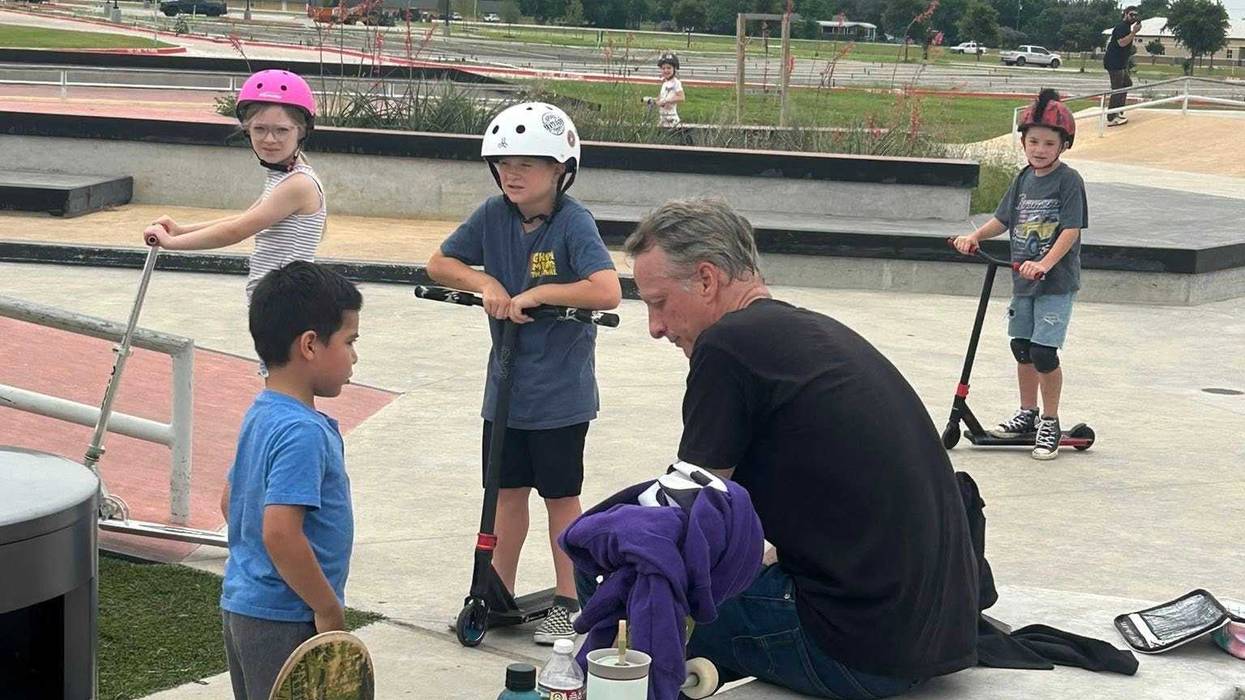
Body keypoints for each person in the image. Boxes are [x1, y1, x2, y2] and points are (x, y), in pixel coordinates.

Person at [623, 198, 979, 698]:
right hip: (936, 635)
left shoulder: (726, 346)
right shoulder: (814, 332)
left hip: (854, 652)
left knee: (624, 559)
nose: (655, 327)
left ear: (706, 280)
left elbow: (691, 513)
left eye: (657, 302)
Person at [427, 102, 621, 645]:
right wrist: (485, 284)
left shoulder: (572, 222)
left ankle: (570, 598)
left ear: (562, 169)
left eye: (529, 164)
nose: (513, 174)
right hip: (505, 390)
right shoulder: (492, 214)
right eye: (505, 163)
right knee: (505, 492)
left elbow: (606, 289)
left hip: (560, 394)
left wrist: (540, 293)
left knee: (561, 497)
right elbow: (439, 263)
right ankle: (496, 592)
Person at [218, 261, 363, 700]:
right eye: (350, 341)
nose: (355, 355)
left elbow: (231, 501)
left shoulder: (263, 412)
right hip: (286, 617)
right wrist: (326, 607)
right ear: (310, 345)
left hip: (245, 606)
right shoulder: (302, 431)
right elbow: (281, 532)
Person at [954, 89, 1087, 460]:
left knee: (1044, 353)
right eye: (1033, 141)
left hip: (1055, 283)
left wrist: (1045, 263)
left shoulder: (1068, 181)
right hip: (1022, 280)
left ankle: (1050, 420)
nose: (1040, 149)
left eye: (1049, 143)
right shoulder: (1024, 178)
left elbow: (1071, 230)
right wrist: (974, 236)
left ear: (1063, 145)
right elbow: (1003, 219)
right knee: (1021, 348)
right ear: (1024, 142)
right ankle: (1027, 414)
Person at [143, 69, 326, 303]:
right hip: (276, 302)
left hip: (288, 304)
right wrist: (180, 230)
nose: (270, 139)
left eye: (282, 130)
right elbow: (241, 220)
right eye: (260, 129)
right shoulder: (283, 178)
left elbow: (236, 232)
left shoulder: (298, 185)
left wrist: (171, 243)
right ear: (247, 130)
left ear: (301, 132)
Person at [1103, 6, 1142, 126]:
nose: (1133, 17)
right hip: (1114, 63)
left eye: (1135, 15)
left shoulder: (1127, 28)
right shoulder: (1121, 27)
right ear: (1125, 14)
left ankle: (1118, 110)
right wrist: (1134, 32)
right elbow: (1122, 43)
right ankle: (1111, 117)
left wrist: (1133, 31)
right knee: (1117, 89)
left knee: (1127, 84)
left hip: (1120, 63)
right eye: (1131, 15)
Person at [644, 52, 685, 129]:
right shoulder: (665, 83)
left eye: (669, 68)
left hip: (672, 121)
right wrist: (652, 100)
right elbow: (660, 99)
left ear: (674, 69)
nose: (666, 70)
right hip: (663, 119)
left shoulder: (676, 83)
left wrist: (666, 101)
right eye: (663, 68)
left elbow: (681, 97)